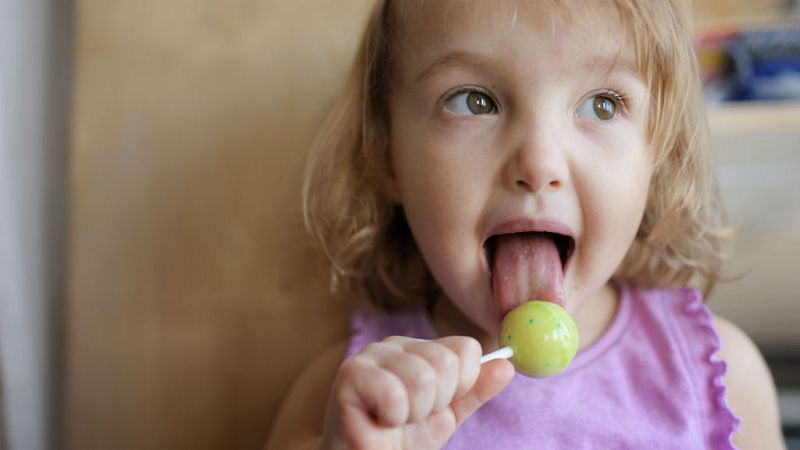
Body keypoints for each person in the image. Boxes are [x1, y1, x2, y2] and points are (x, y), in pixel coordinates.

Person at [267, 1, 785, 449]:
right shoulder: (348, 401)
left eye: (602, 105)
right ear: (386, 155)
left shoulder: (722, 379)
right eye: (474, 101)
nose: (539, 163)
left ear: (659, 158)